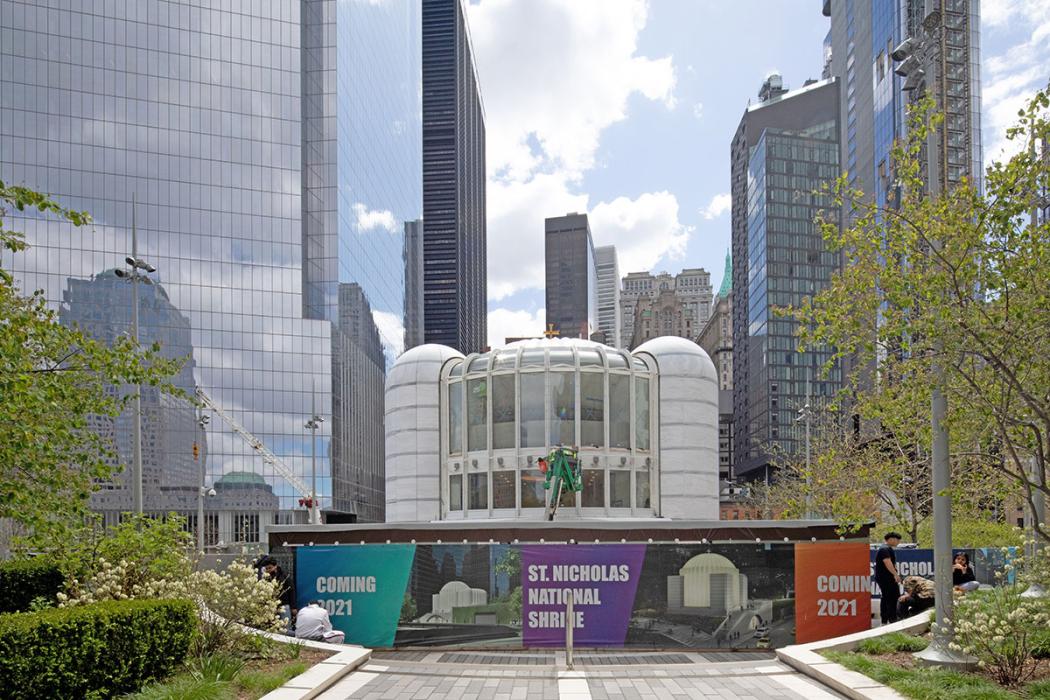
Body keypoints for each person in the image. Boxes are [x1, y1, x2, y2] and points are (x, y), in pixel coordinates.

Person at [874, 532, 903, 625]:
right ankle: (891, 619)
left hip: (887, 577)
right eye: (897, 539)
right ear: (891, 539)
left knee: (889, 597)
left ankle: (887, 619)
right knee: (890, 597)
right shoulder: (884, 549)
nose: (898, 542)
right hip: (885, 578)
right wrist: (895, 574)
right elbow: (887, 562)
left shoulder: (888, 549)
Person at [261, 557, 296, 633]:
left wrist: (293, 607)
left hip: (284, 605)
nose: (268, 570)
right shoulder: (266, 578)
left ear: (275, 566)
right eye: (266, 569)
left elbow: (291, 591)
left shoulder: (284, 576)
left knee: (286, 629)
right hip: (271, 607)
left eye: (270, 568)